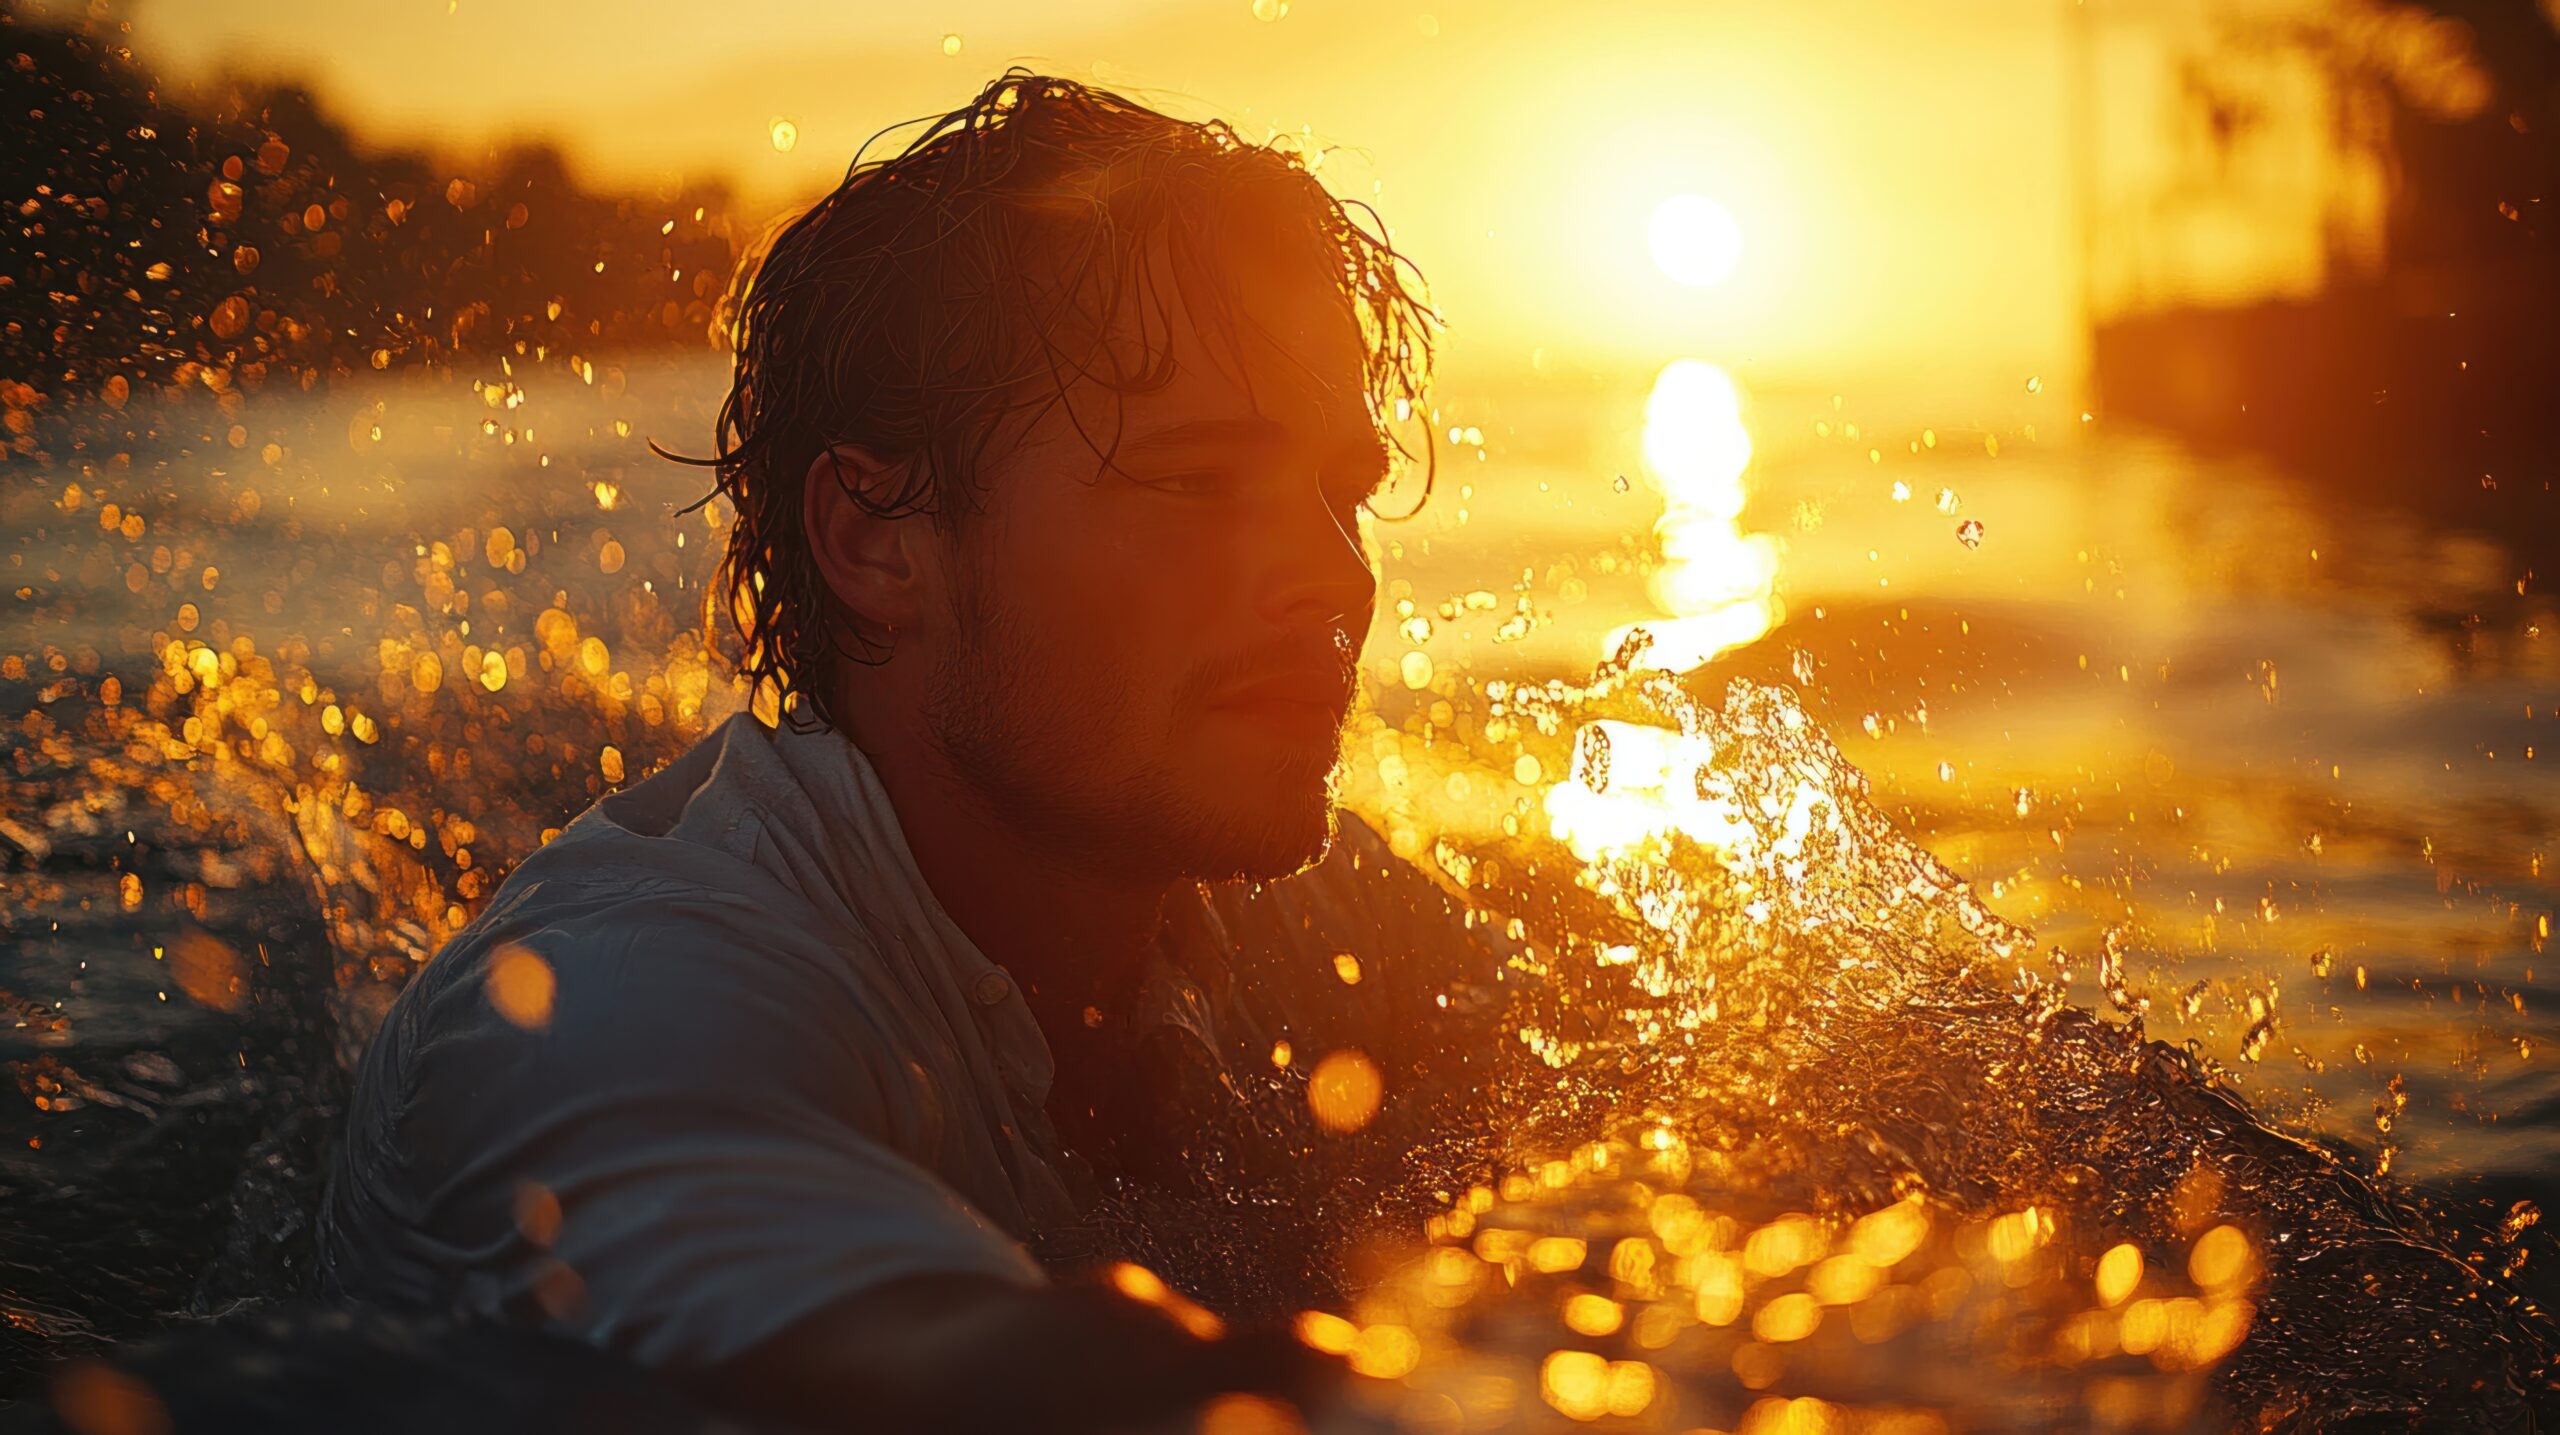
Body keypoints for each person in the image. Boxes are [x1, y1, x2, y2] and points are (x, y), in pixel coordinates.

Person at [318, 71, 1516, 1432]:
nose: (1333, 577)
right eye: (1195, 478)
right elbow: (948, 1376)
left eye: (1341, 494)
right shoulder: (616, 1007)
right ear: (877, 537)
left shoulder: (1303, 913)